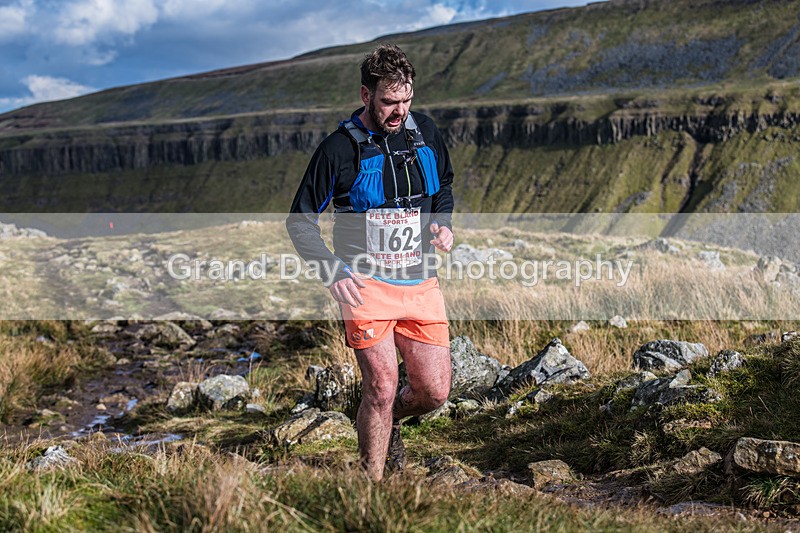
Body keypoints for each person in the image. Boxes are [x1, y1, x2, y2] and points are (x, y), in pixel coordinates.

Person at [285, 43, 455, 480]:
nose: (399, 111)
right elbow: (300, 221)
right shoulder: (337, 149)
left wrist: (442, 223)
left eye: (406, 100)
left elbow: (443, 187)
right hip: (364, 284)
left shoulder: (426, 132)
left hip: (420, 281)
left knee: (435, 392)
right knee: (380, 387)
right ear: (366, 95)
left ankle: (384, 420)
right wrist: (330, 270)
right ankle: (370, 489)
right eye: (389, 102)